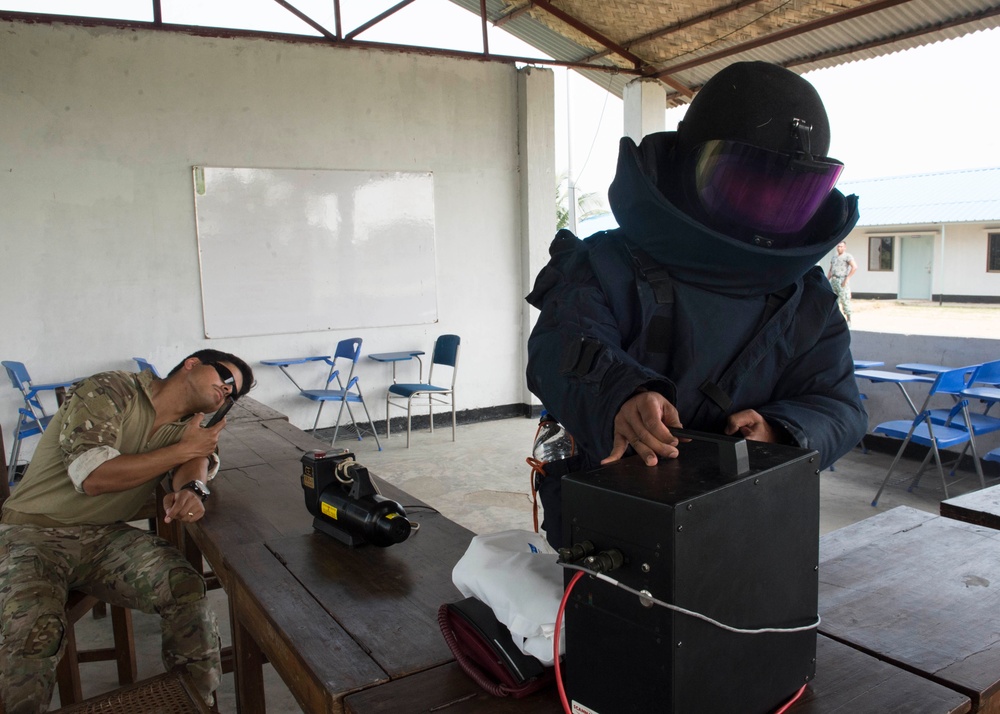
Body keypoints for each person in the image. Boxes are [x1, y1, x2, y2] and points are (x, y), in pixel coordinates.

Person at [526, 61, 867, 549]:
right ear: (689, 166)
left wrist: (780, 430)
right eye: (745, 186)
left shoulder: (807, 299)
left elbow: (840, 404)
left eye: (789, 197)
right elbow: (561, 345)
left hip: (746, 533)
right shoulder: (603, 263)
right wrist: (621, 396)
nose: (765, 215)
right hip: (610, 522)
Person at [0, 349, 254, 713]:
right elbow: (92, 477)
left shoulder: (187, 429)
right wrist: (183, 451)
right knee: (32, 629)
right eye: (226, 379)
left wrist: (192, 489)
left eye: (235, 394)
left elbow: (196, 460)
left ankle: (196, 700)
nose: (227, 391)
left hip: (103, 537)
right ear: (192, 364)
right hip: (31, 533)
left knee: (186, 588)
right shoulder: (112, 389)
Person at [827, 241, 858, 323]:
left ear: (844, 247)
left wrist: (847, 279)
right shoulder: (834, 258)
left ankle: (849, 319)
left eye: (841, 246)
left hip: (842, 280)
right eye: (838, 246)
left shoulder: (847, 257)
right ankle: (834, 319)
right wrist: (827, 279)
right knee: (833, 301)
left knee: (845, 299)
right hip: (834, 280)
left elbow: (854, 267)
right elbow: (831, 270)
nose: (839, 248)